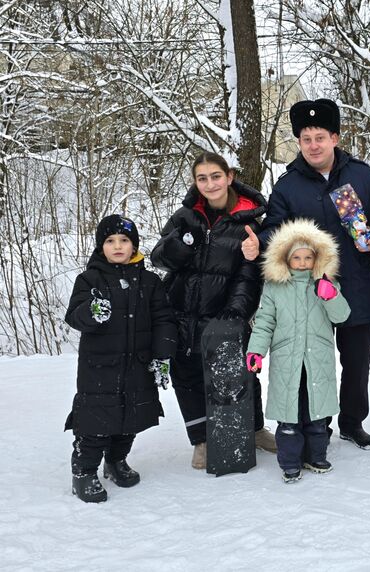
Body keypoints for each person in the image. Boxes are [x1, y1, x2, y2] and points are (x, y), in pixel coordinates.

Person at [246, 98, 370, 450]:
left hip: (356, 285)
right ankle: (316, 426)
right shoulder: (288, 186)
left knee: (357, 363)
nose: (313, 145)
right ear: (299, 142)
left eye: (320, 137)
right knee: (310, 363)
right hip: (307, 292)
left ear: (335, 138)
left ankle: (352, 423)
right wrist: (259, 244)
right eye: (306, 139)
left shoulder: (361, 175)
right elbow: (275, 229)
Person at [151, 152, 276, 470]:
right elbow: (159, 258)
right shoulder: (185, 216)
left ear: (229, 177)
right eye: (202, 178)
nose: (210, 184)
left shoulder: (247, 222)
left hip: (223, 314)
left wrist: (235, 312)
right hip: (181, 311)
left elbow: (249, 275)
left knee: (243, 375)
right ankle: (201, 441)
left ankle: (255, 428)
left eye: (216, 176)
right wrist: (182, 244)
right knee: (187, 376)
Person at [64, 215, 177, 503]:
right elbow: (74, 315)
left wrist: (162, 356)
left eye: (124, 240)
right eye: (110, 241)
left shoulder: (150, 282)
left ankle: (116, 461)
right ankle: (84, 472)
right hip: (99, 370)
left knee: (130, 420)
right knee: (95, 424)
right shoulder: (89, 280)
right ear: (101, 246)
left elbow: (163, 320)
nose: (117, 246)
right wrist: (91, 311)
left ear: (133, 245)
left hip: (138, 366)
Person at [245, 219, 351, 483]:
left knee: (316, 414)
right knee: (288, 415)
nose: (303, 263)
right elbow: (265, 322)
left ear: (317, 259)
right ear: (286, 259)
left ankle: (316, 456)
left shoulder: (326, 284)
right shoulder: (275, 287)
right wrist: (256, 351)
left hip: (317, 360)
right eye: (297, 258)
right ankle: (290, 462)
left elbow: (341, 316)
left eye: (308, 257)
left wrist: (331, 296)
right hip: (287, 361)